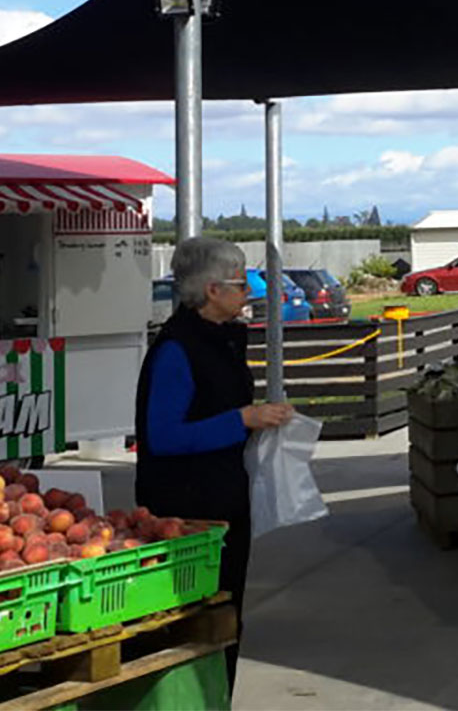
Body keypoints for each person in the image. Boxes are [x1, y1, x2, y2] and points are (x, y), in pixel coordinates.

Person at [135, 236, 295, 693]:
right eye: (241, 285)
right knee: (194, 620)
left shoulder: (224, 339)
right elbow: (162, 437)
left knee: (227, 614)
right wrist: (242, 419)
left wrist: (258, 421)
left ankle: (218, 695)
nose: (248, 294)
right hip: (184, 508)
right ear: (211, 290)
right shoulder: (176, 349)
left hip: (225, 498)